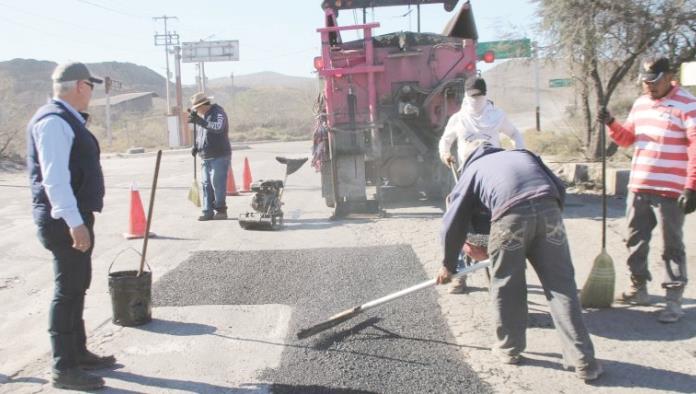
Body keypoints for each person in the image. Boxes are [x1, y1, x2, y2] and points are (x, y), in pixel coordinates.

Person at [435, 142, 602, 381]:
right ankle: (584, 361)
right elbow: (557, 188)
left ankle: (510, 348)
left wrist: (448, 264)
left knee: (508, 285)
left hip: (510, 218)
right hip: (550, 211)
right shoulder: (524, 153)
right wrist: (543, 227)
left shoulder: (472, 170)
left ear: (467, 159)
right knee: (561, 287)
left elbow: (454, 220)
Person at [27, 62, 115, 390]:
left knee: (78, 284)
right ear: (80, 86)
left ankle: (78, 352)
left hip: (73, 216)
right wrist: (75, 223)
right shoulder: (53, 122)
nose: (91, 93)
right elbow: (55, 180)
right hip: (64, 220)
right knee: (67, 290)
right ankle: (63, 367)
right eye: (90, 87)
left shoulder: (64, 119)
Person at [598, 56, 696, 323]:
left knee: (672, 246)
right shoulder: (640, 104)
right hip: (640, 185)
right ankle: (638, 287)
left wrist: (692, 186)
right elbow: (628, 138)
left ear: (668, 77)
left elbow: (695, 146)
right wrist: (611, 123)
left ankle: (673, 300)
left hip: (671, 190)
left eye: (653, 81)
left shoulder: (687, 104)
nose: (648, 87)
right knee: (634, 240)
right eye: (645, 82)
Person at [439, 77, 525, 293]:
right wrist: (445, 153)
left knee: (494, 222)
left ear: (485, 95)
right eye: (472, 96)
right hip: (466, 176)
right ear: (466, 96)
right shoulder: (458, 119)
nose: (476, 100)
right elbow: (445, 140)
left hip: (492, 177)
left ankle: (496, 274)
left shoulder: (497, 116)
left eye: (480, 96)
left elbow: (515, 134)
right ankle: (458, 274)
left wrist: (518, 153)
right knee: (456, 216)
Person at [189, 92, 232, 221]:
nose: (197, 111)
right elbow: (201, 135)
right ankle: (207, 211)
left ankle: (221, 210)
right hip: (206, 156)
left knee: (217, 184)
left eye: (197, 108)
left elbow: (218, 127)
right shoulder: (204, 116)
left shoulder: (218, 112)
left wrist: (202, 122)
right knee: (206, 184)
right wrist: (196, 145)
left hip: (220, 155)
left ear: (203, 105)